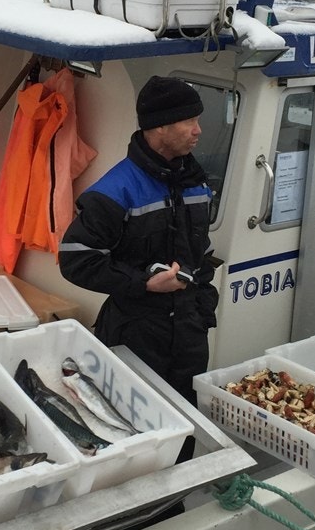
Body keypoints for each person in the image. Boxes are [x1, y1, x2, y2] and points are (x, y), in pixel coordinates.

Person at [59, 76, 218, 408]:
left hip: (190, 331)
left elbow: (199, 253)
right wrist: (145, 284)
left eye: (197, 120)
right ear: (158, 127)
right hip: (135, 334)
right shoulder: (114, 191)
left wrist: (203, 305)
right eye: (188, 120)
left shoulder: (197, 184)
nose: (198, 130)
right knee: (134, 421)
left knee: (187, 420)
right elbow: (75, 259)